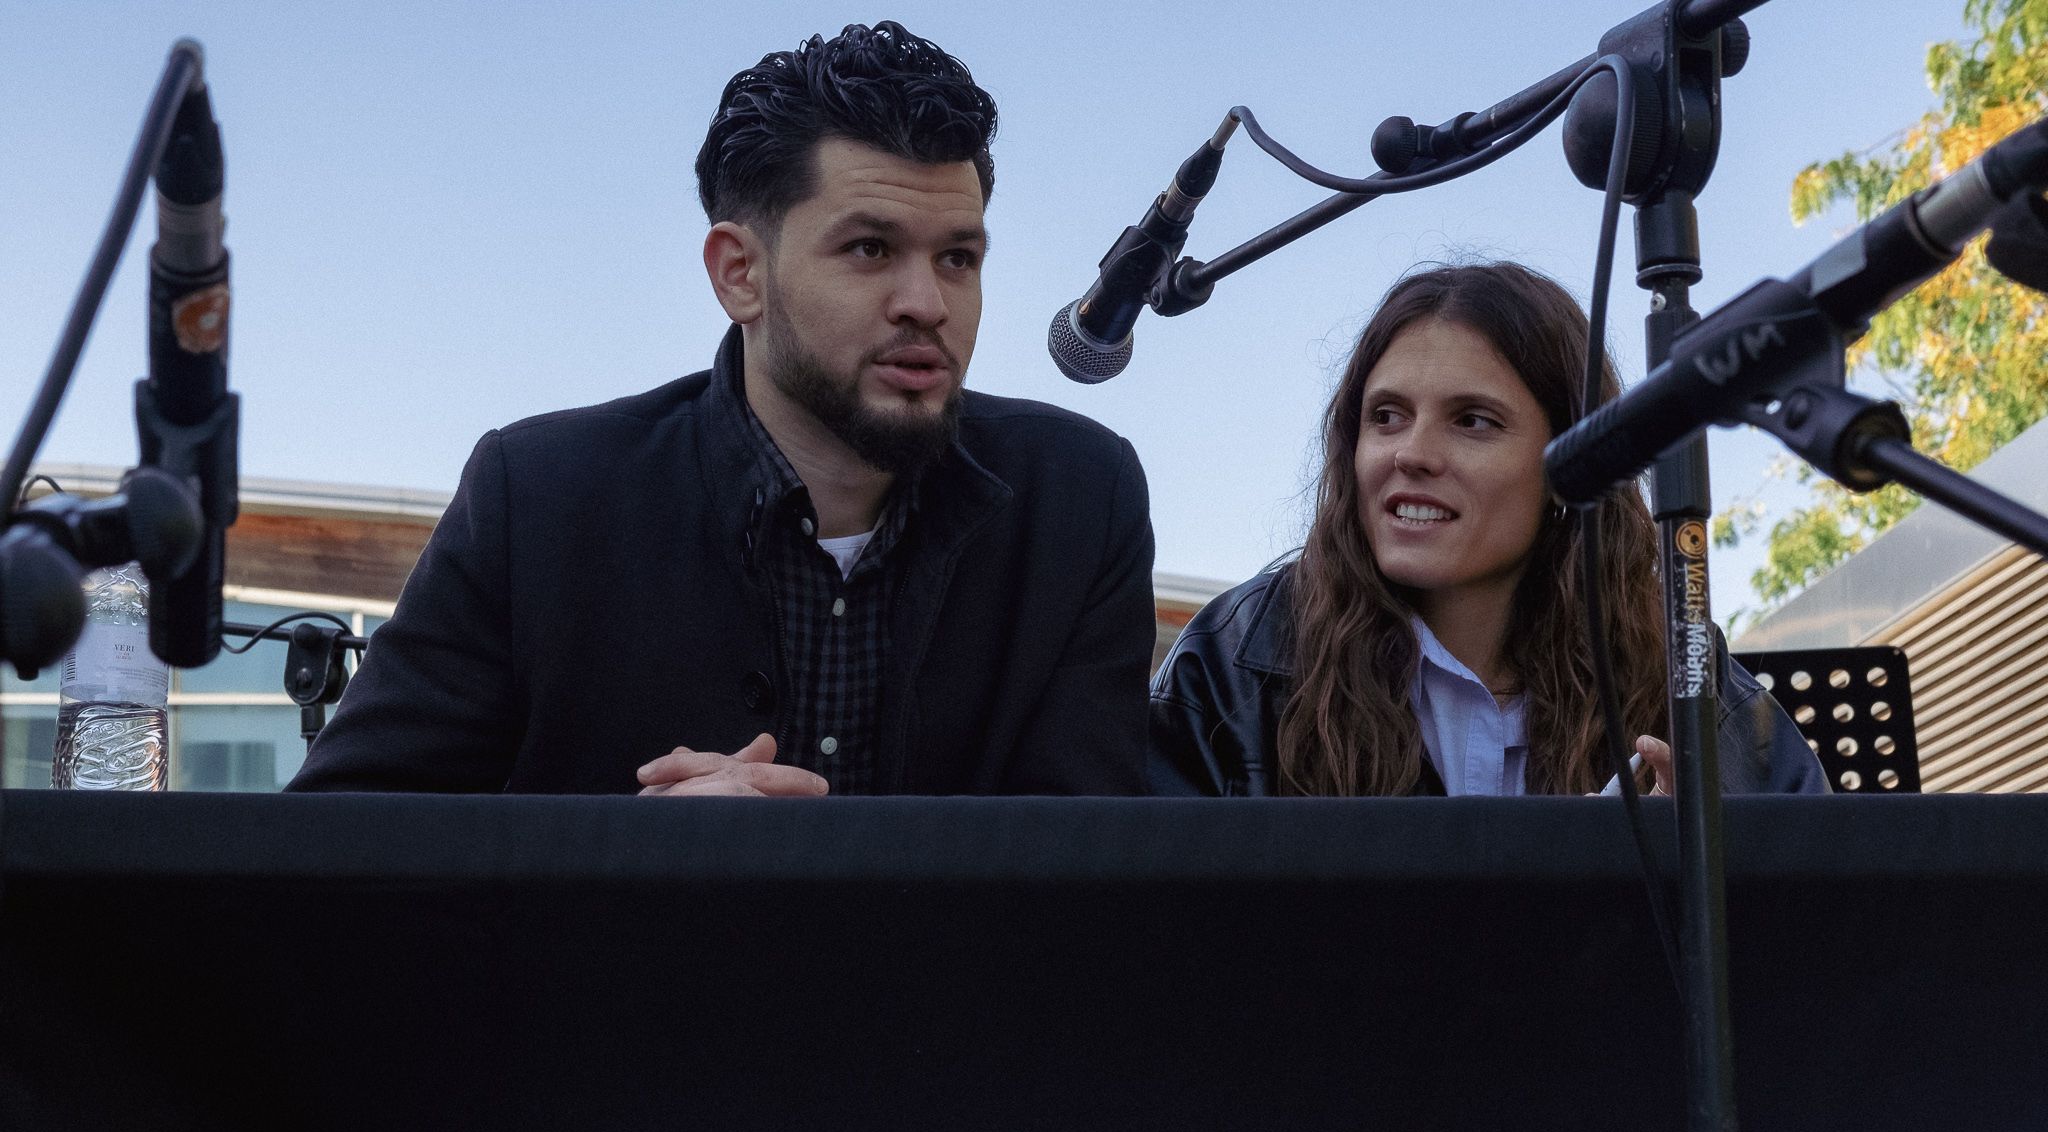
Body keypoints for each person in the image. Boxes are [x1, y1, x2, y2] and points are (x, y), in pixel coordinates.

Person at [291, 22, 1155, 797]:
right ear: (739, 273)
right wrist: (641, 870)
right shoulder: (543, 498)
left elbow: (1098, 897)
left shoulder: (1080, 500)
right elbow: (339, 858)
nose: (927, 301)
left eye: (959, 258)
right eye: (870, 248)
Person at [1148, 262, 1826, 798]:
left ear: (1578, 458)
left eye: (1472, 420)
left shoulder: (1681, 671)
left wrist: (1698, 887)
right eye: (1385, 416)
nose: (1410, 452)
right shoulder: (1234, 666)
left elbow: (1824, 935)